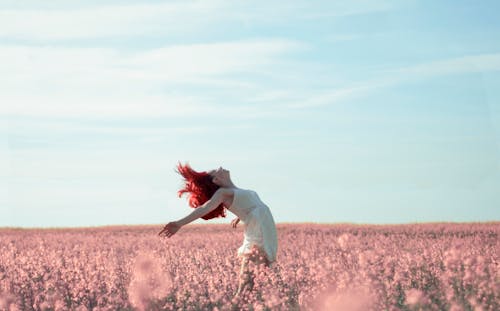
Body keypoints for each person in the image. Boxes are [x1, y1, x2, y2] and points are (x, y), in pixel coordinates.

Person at [158, 163, 278, 297]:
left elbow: (252, 208)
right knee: (246, 288)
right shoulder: (223, 193)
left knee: (257, 286)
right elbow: (205, 208)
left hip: (266, 233)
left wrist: (240, 217)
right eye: (216, 170)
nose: (220, 167)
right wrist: (179, 223)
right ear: (216, 180)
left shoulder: (237, 191)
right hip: (258, 235)